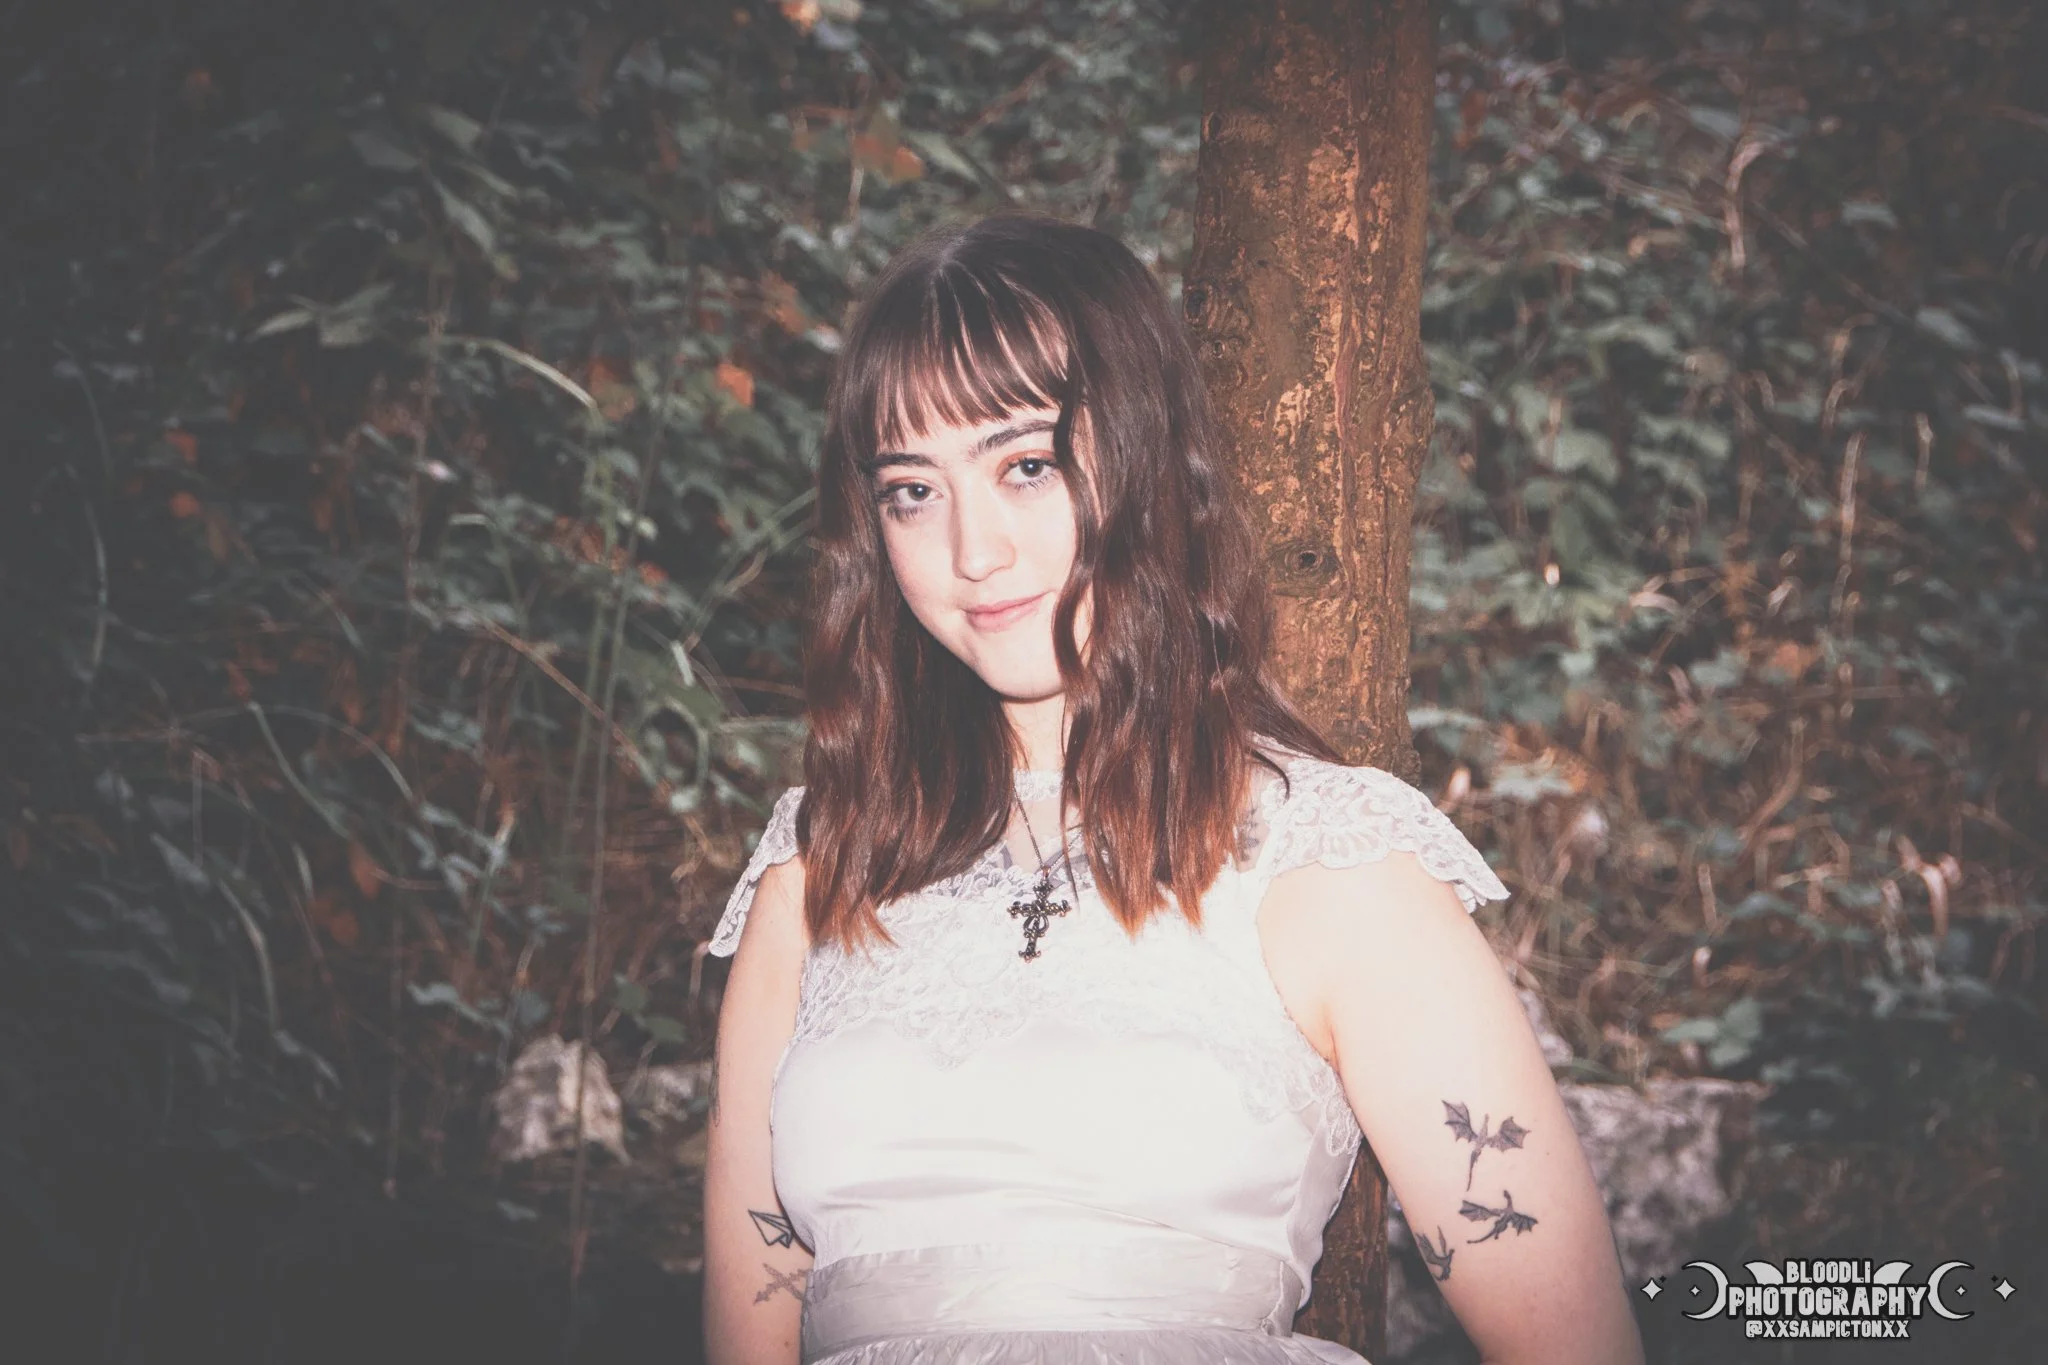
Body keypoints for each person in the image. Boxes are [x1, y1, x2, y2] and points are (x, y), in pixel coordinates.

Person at [701, 211, 1644, 1365]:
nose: (972, 549)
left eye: (1026, 466)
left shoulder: (1333, 863)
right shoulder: (815, 870)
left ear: (1144, 464)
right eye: (913, 490)